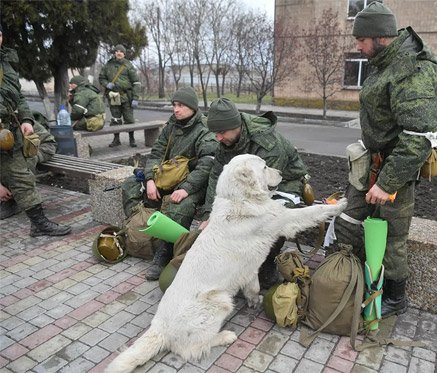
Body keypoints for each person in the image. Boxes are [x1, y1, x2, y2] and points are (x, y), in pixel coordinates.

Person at [332, 2, 437, 317]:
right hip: (374, 160)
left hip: (397, 167)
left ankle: (395, 297)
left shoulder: (413, 67)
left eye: (361, 40)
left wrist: (388, 183)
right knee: (354, 216)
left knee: (391, 232)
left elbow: (419, 135)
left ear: (380, 37)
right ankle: (355, 275)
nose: (357, 46)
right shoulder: (384, 60)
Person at [201, 98, 308, 289]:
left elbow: (264, 189)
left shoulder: (267, 143)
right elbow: (216, 177)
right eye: (215, 133)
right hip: (252, 185)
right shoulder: (226, 142)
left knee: (272, 217)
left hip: (283, 182)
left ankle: (267, 261)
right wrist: (210, 214)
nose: (218, 138)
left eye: (222, 132)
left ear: (237, 126)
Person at [121, 87, 217, 280]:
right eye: (174, 105)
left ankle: (164, 251)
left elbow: (208, 163)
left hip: (193, 184)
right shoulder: (172, 126)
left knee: (181, 205)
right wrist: (150, 180)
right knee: (130, 184)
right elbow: (156, 153)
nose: (176, 109)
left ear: (192, 107)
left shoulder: (203, 130)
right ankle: (138, 228)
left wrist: (186, 188)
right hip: (167, 177)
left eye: (181, 105)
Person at [0, 24, 72, 236]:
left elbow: (18, 97)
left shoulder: (6, 63)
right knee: (19, 174)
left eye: (0, 34)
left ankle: (29, 216)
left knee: (22, 170)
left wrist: (26, 119)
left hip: (9, 130)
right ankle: (36, 222)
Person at [98, 44, 140, 147]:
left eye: (121, 51)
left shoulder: (128, 66)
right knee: (115, 118)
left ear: (124, 54)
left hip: (126, 96)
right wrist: (106, 84)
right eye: (117, 51)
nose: (119, 53)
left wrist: (135, 98)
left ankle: (132, 139)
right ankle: (116, 139)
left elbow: (136, 83)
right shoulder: (108, 66)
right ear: (115, 53)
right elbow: (101, 77)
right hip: (113, 96)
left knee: (129, 119)